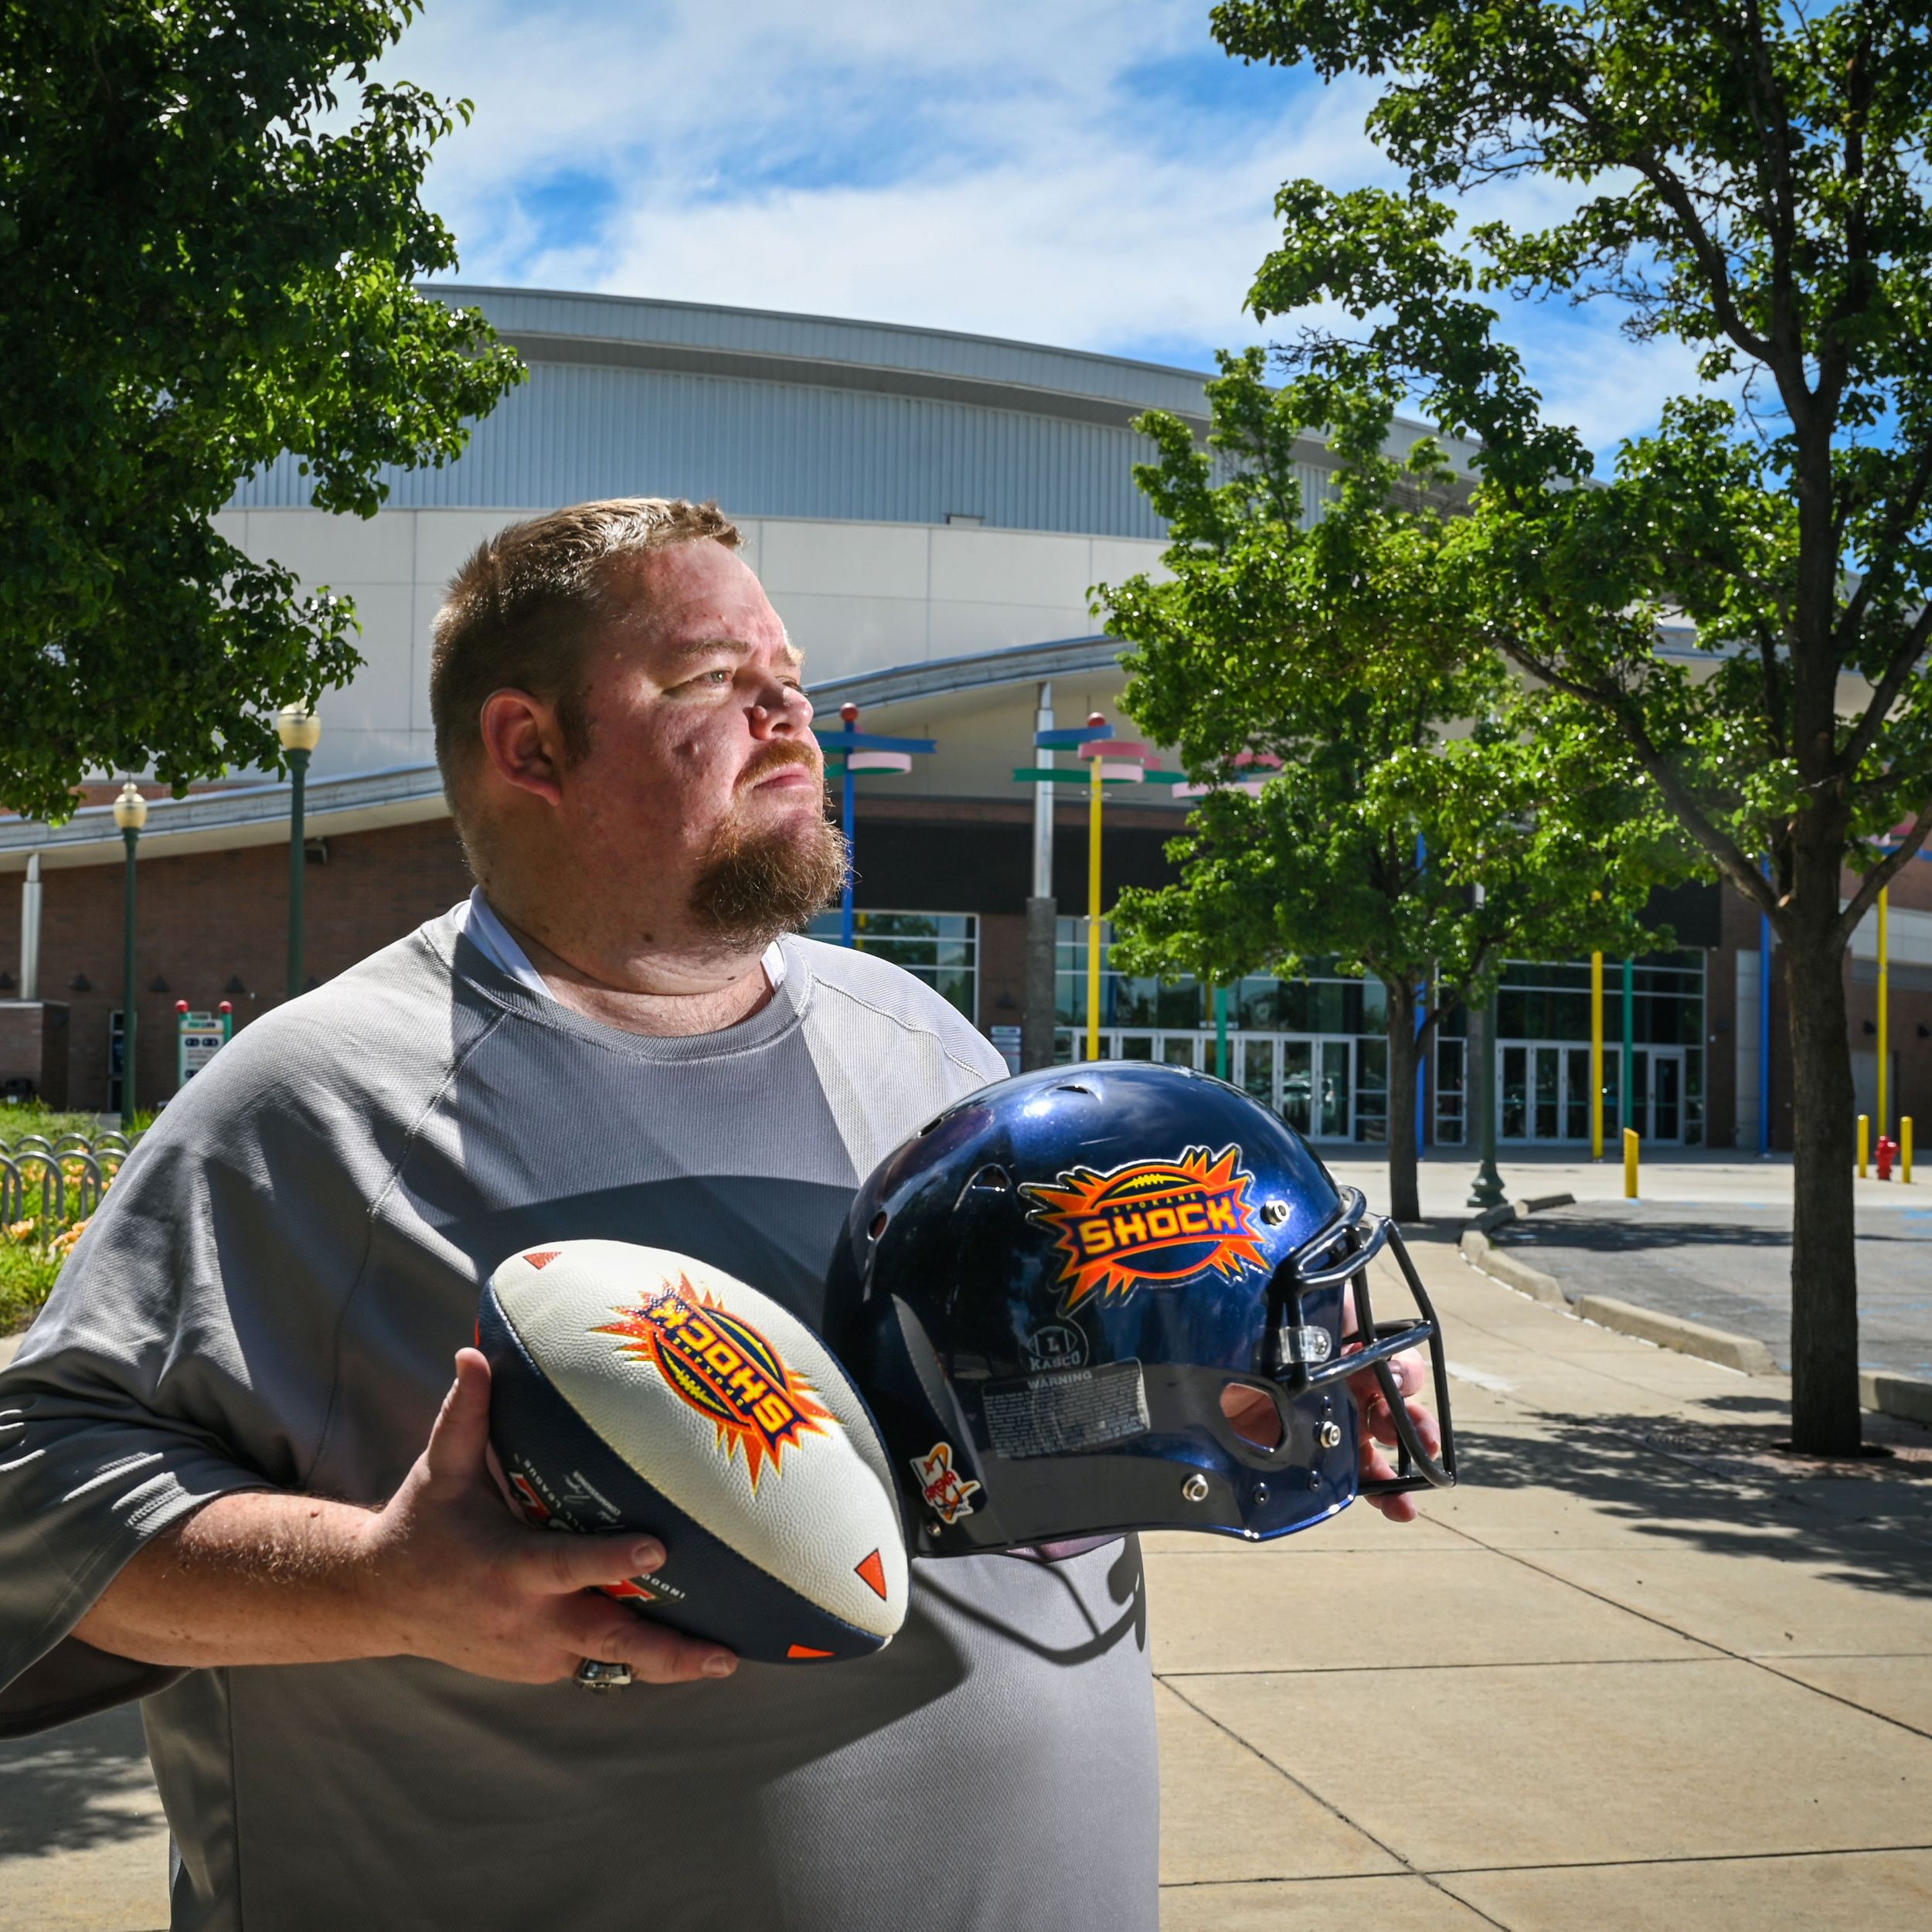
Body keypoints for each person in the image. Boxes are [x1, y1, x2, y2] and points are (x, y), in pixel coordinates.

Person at [0, 498, 1438, 1931]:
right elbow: (28, 1502)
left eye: (791, 681)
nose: (791, 718)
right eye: (712, 684)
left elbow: (1018, 1414)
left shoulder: (921, 1042)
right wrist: (379, 1588)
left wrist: (1264, 1379)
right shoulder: (321, 1102)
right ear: (530, 747)